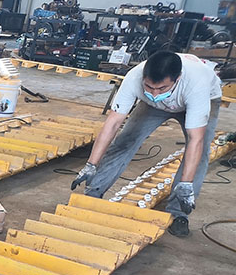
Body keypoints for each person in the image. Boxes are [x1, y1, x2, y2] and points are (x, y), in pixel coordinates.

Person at [71, 50, 222, 237]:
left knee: (199, 153)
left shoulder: (196, 85)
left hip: (203, 99)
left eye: (161, 89)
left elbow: (195, 139)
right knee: (125, 141)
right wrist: (91, 165)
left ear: (177, 79)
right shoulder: (134, 77)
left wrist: (186, 183)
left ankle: (178, 214)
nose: (155, 93)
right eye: (149, 87)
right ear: (144, 77)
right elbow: (113, 124)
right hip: (153, 107)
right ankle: (94, 193)